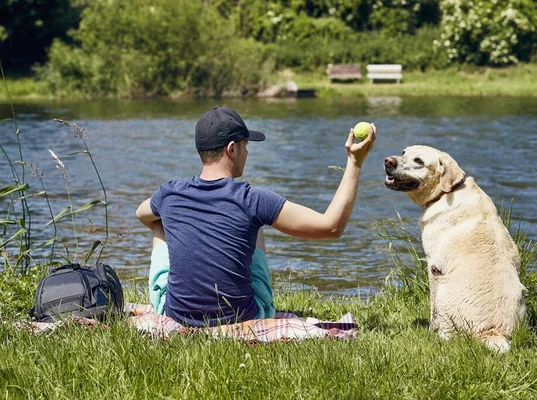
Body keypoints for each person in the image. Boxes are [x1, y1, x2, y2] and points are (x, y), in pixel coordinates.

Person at [136, 107, 376, 327]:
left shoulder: (170, 193)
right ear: (232, 149)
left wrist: (182, 224)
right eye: (245, 145)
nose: (247, 152)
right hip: (242, 318)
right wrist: (354, 162)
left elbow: (142, 214)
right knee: (255, 224)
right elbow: (331, 227)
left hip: (176, 315)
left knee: (160, 221)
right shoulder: (251, 199)